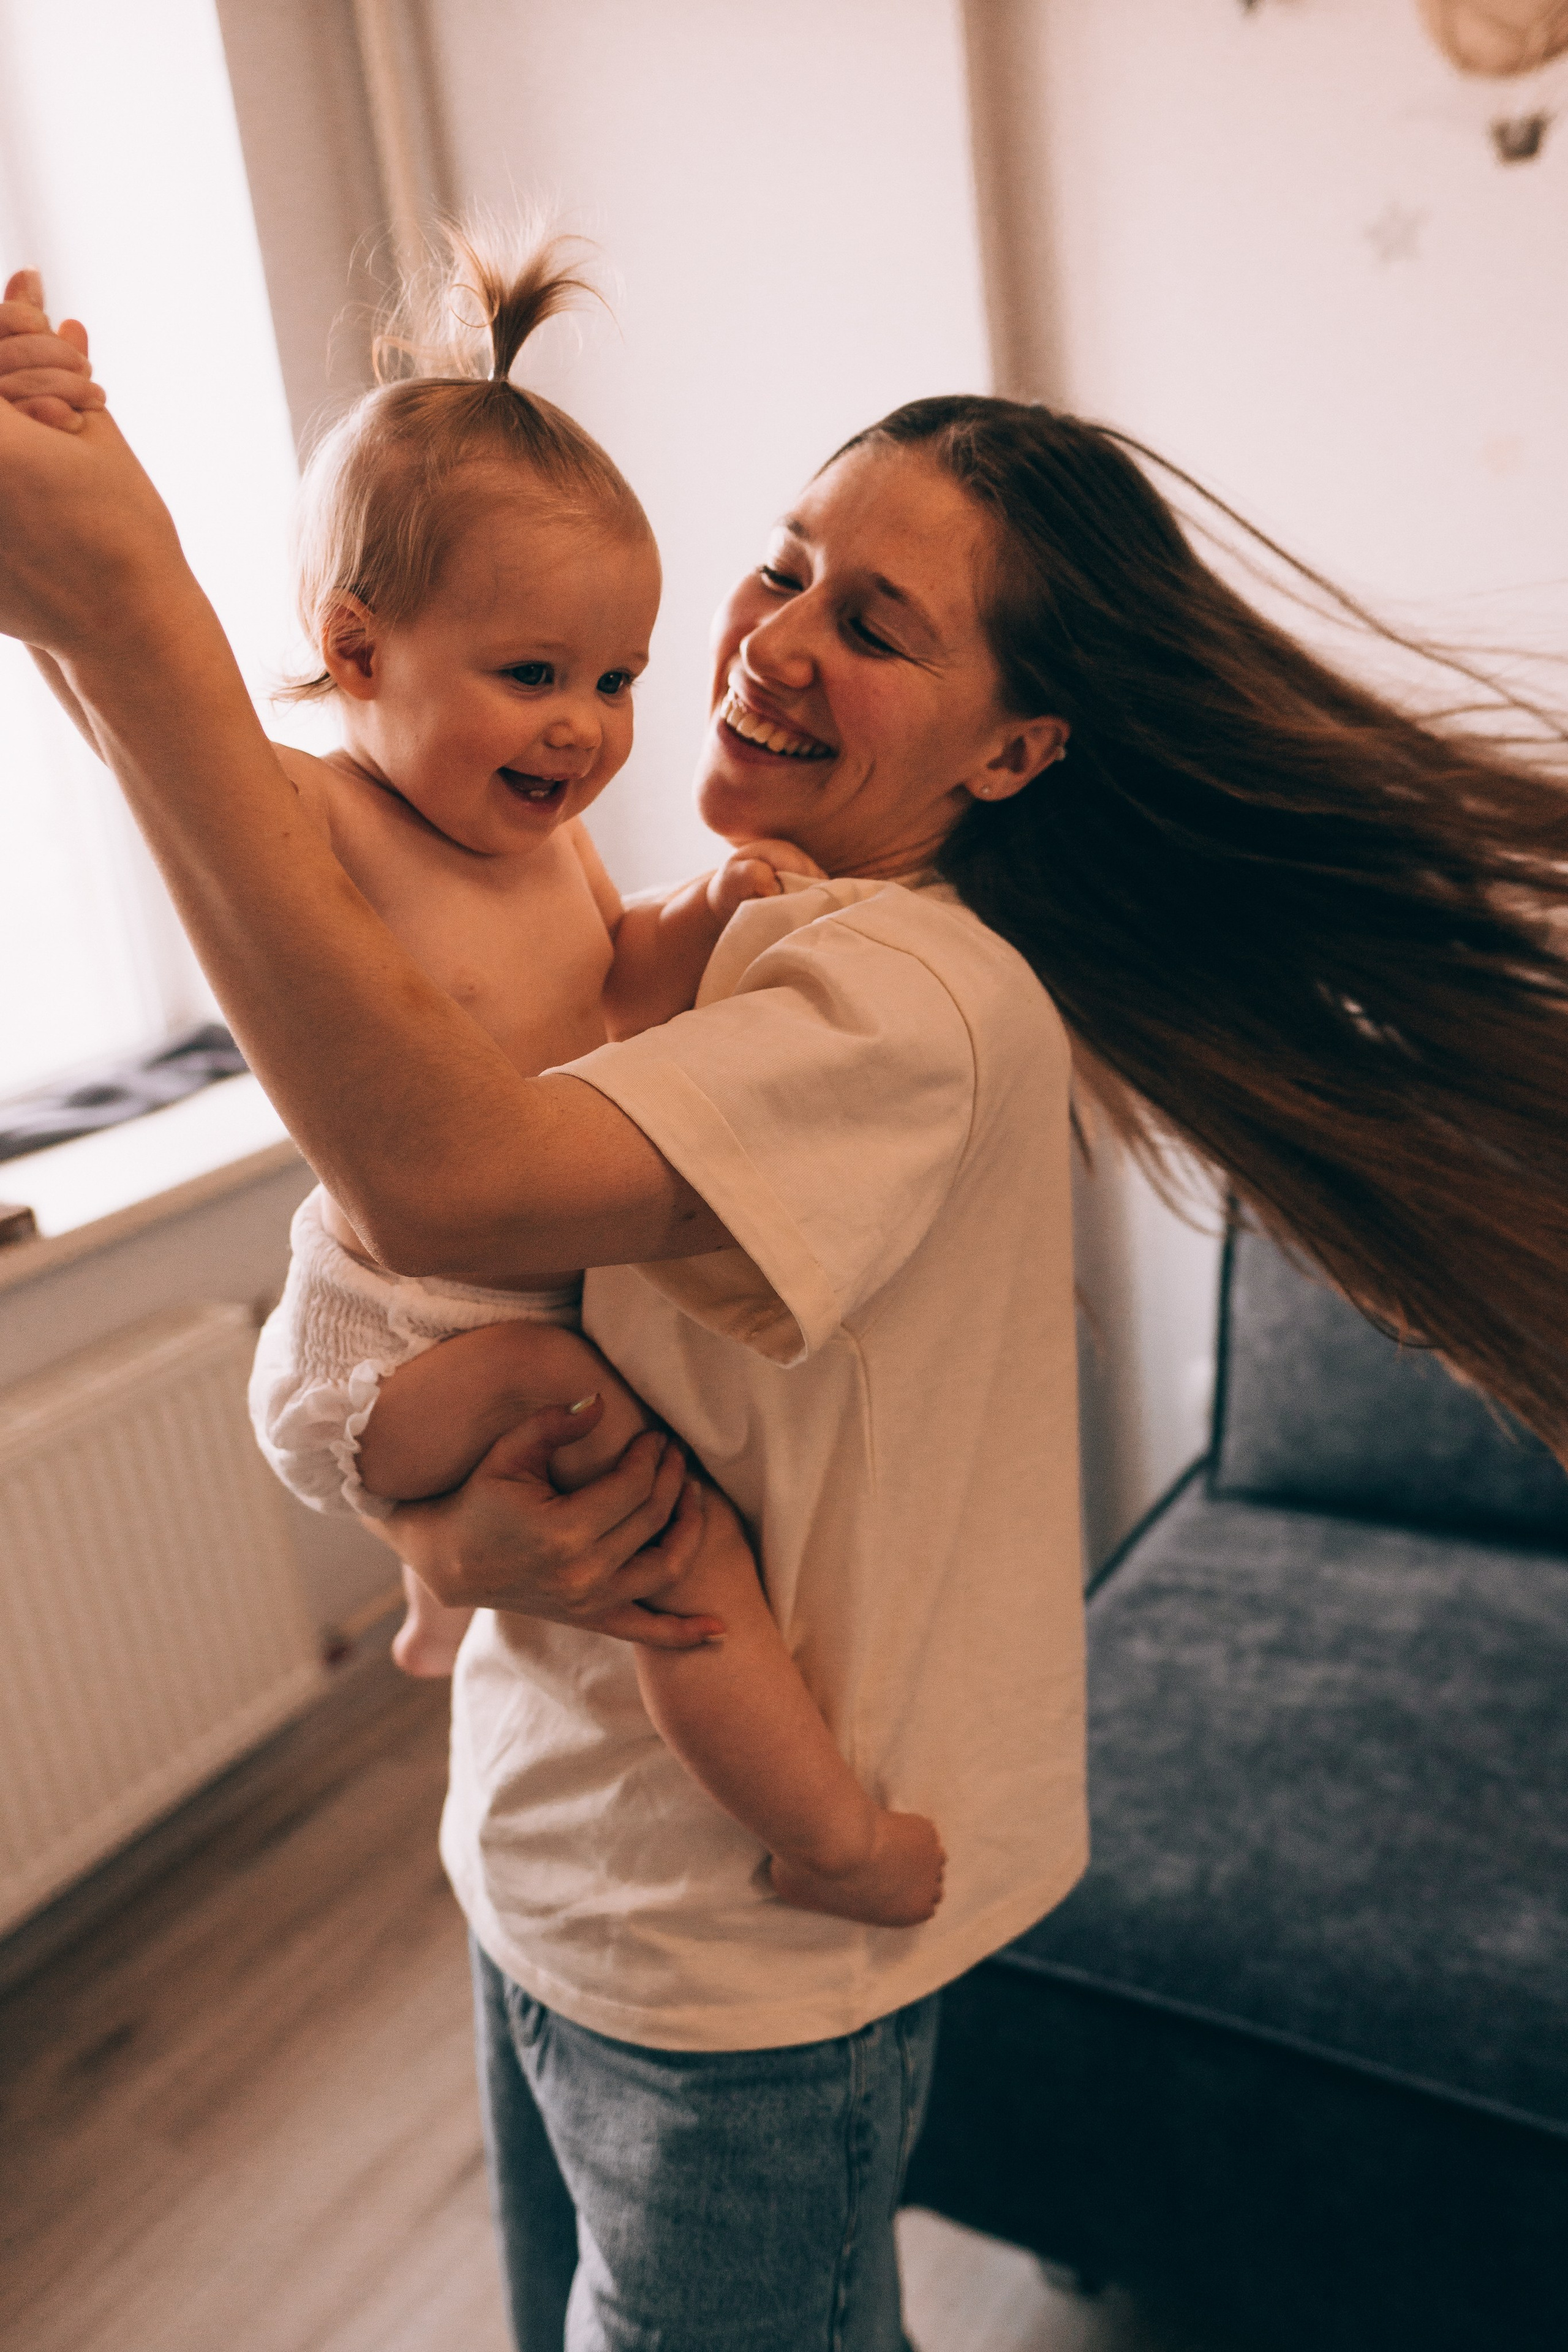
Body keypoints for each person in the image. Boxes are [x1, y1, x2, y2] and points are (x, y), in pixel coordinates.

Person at [4, 270, 1568, 2352]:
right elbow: (522, 1303)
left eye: (875, 624)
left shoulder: (907, 998)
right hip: (555, 1848)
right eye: (788, 566)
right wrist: (445, 1538)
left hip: (718, 1948)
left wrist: (121, 606)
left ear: (1019, 746)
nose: (774, 640)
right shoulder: (764, 934)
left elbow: (447, 1179)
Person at [9, 243, 947, 1932]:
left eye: (616, 681)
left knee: (602, 1442)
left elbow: (618, 996)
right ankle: (829, 1840)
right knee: (678, 1539)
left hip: (502, 1296)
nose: (585, 730)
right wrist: (69, 440)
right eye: (534, 677)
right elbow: (146, 707)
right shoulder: (320, 816)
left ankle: (441, 1588)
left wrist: (707, 912)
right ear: (358, 654)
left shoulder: (557, 844)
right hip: (399, 1327)